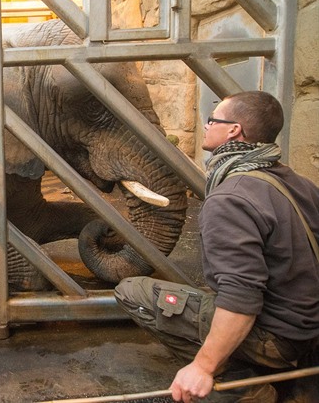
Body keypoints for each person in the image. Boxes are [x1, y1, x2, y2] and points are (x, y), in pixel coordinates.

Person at [115, 91, 319, 402]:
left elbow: (242, 297)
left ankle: (243, 386)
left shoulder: (231, 198)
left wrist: (202, 366)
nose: (206, 125)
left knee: (132, 291)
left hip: (278, 335)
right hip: (309, 328)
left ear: (234, 130)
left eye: (212, 120)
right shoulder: (299, 183)